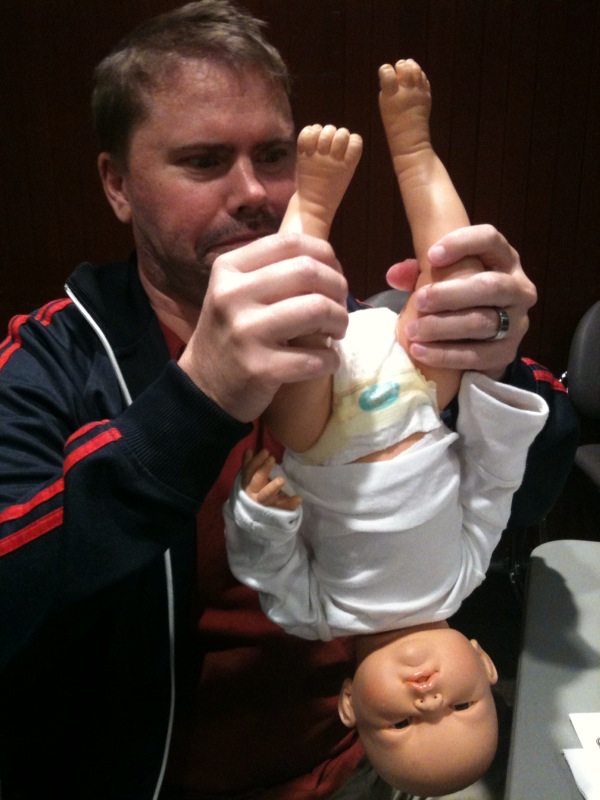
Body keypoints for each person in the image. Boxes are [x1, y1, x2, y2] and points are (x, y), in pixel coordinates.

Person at [0, 2, 578, 800]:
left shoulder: (363, 330)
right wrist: (198, 399)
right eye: (204, 161)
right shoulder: (47, 366)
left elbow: (528, 491)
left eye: (275, 155)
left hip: (373, 761)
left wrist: (497, 362)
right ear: (118, 184)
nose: (253, 193)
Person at [223, 60, 549, 797]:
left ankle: (310, 206)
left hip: (321, 438)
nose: (428, 700)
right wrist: (491, 398)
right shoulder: (465, 576)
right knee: (460, 288)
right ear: (484, 662)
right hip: (416, 403)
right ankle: (414, 151)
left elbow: (265, 565)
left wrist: (263, 515)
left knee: (293, 329)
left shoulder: (315, 616)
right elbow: (492, 484)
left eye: (400, 724)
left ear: (350, 706)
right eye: (462, 706)